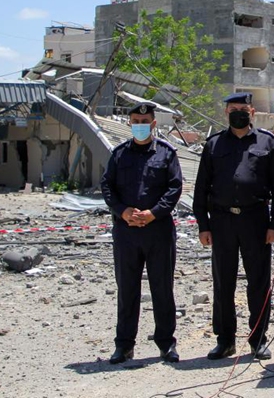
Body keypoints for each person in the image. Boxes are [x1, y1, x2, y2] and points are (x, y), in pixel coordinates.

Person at [193, 92, 274, 361]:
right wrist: (203, 225)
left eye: (242, 109)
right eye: (233, 109)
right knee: (224, 282)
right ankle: (225, 340)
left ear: (252, 112)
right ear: (226, 113)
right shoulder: (213, 145)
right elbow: (201, 188)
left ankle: (258, 339)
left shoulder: (267, 143)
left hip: (255, 220)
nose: (238, 113)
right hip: (221, 221)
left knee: (258, 282)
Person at [101, 102, 183, 364]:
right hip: (126, 232)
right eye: (135, 120)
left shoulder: (166, 153)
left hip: (158, 231)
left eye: (144, 120)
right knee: (127, 289)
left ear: (153, 124)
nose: (140, 124)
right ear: (129, 123)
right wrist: (123, 211)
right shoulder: (119, 155)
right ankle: (124, 345)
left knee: (162, 288)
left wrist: (153, 213)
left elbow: (174, 188)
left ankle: (166, 344)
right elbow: (107, 186)